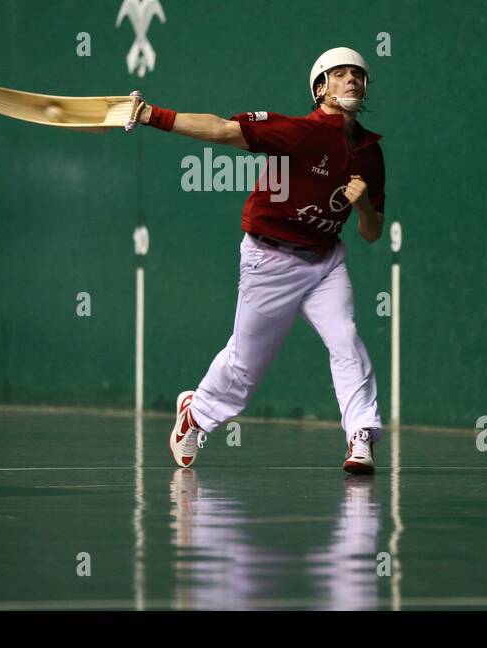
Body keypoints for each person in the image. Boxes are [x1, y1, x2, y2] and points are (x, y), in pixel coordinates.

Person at [137, 48, 386, 473]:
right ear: (320, 88)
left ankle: (360, 435)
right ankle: (195, 415)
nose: (351, 81)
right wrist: (149, 115)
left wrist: (363, 208)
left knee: (345, 338)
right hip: (270, 259)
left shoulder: (370, 153)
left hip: (324, 263)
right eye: (340, 75)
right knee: (245, 367)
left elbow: (372, 232)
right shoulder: (298, 132)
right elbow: (219, 130)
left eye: (358, 76)